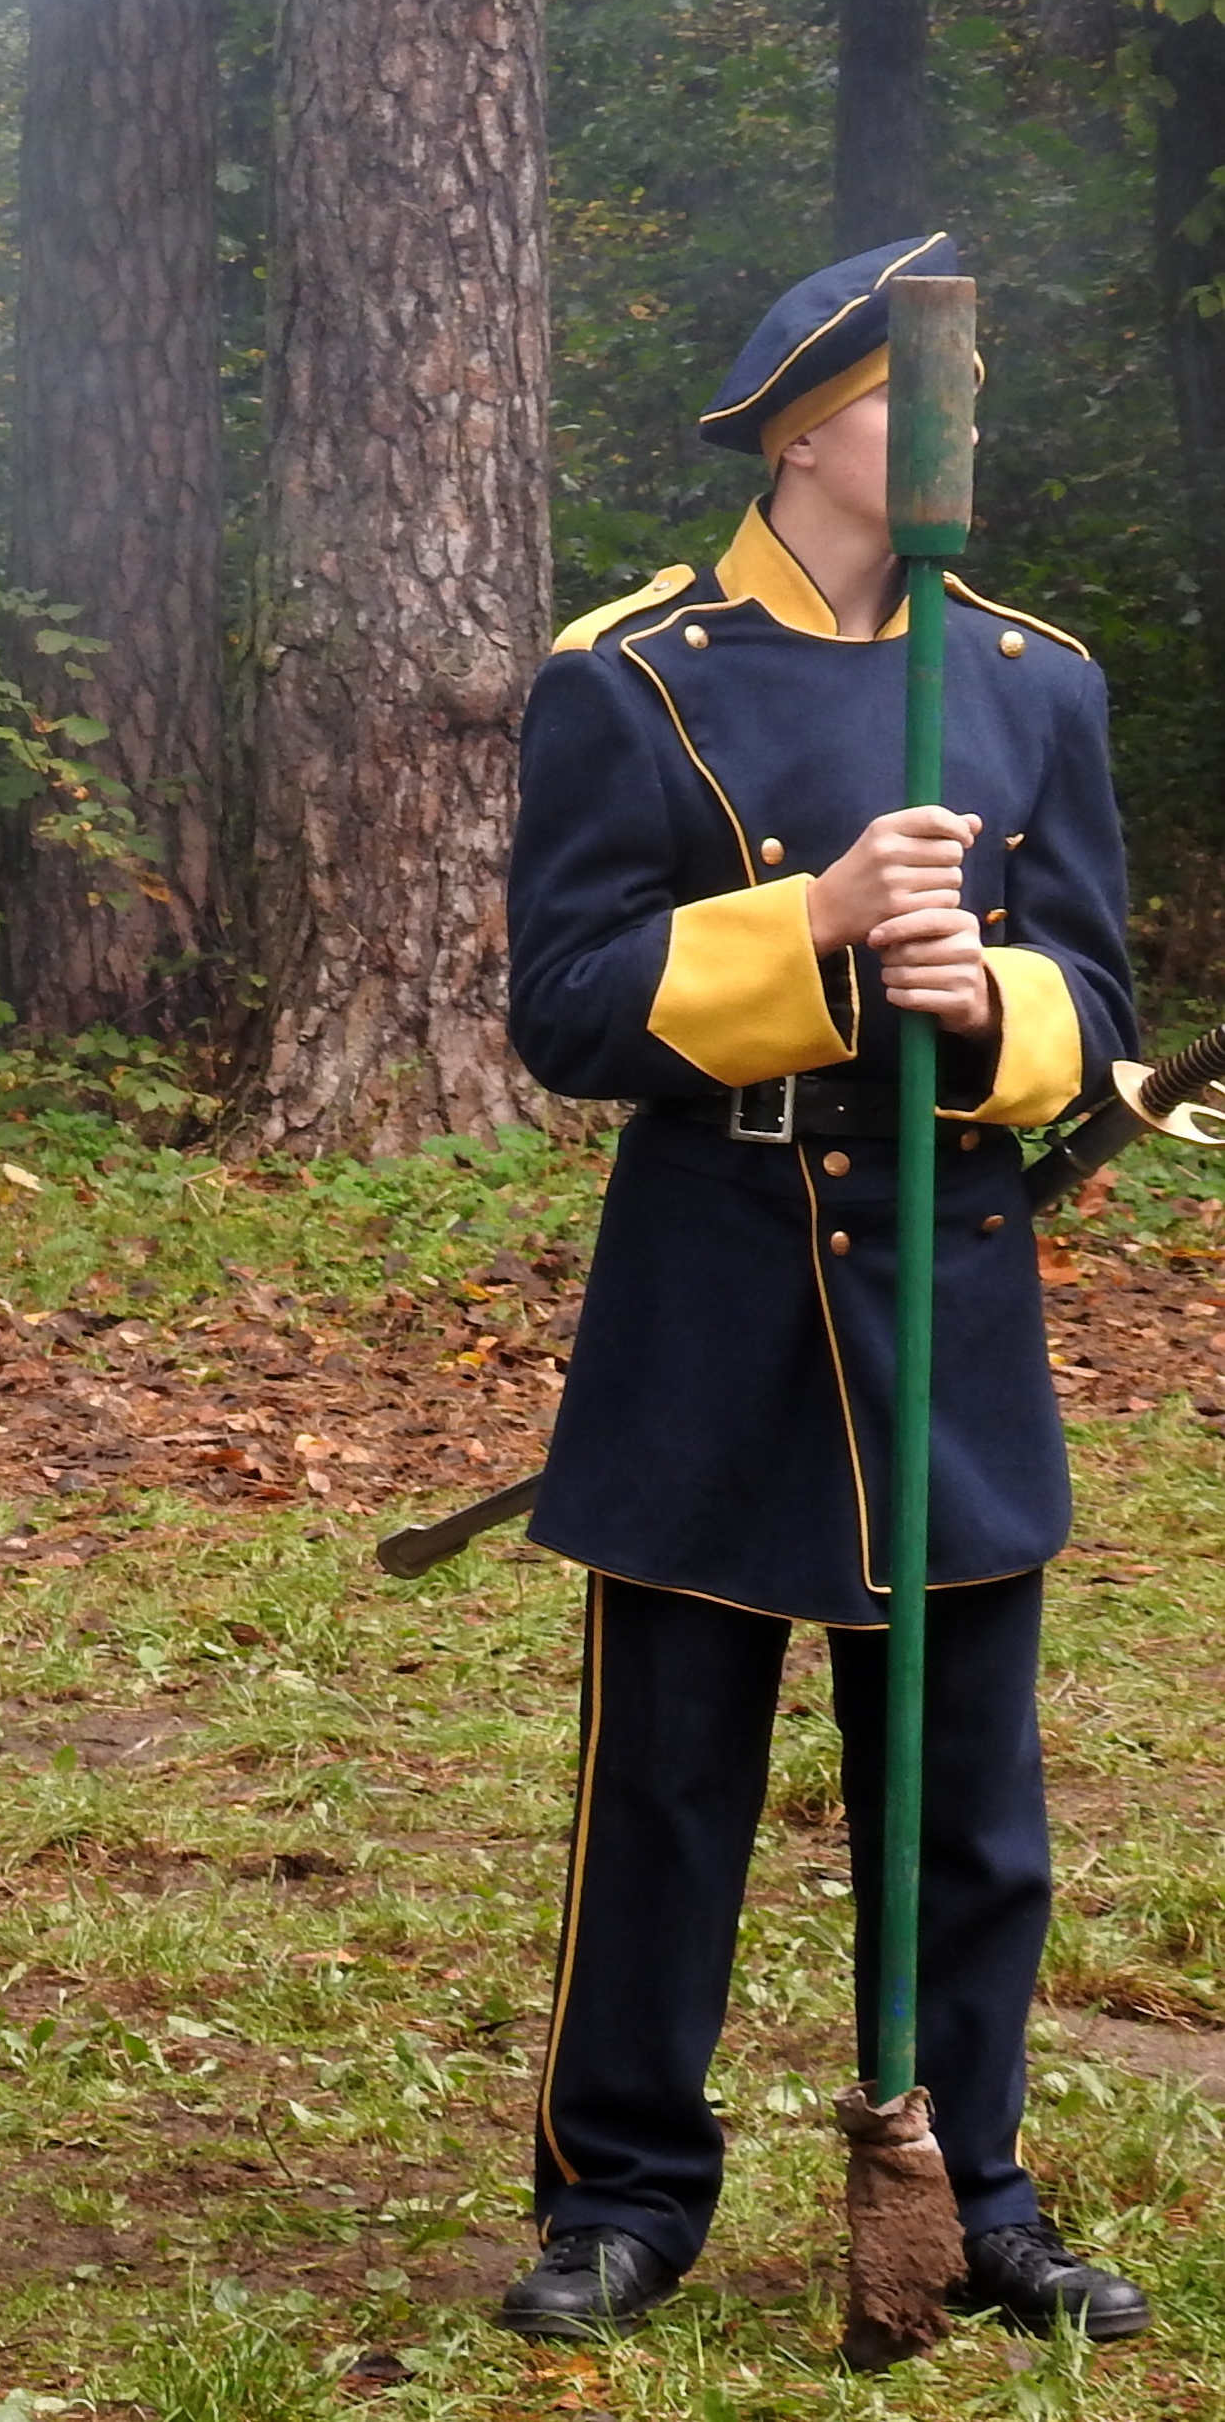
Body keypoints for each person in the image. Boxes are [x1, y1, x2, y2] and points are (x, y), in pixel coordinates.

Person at [496, 232, 1146, 2345]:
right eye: (914, 392)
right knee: (665, 1769)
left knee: (964, 1784)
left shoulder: (1033, 676)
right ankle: (619, 2187)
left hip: (947, 1275)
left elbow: (1107, 1010)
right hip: (715, 1265)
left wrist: (990, 1004)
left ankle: (974, 2181)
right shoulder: (633, 669)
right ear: (801, 422)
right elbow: (566, 1002)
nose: (959, 432)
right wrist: (813, 926)